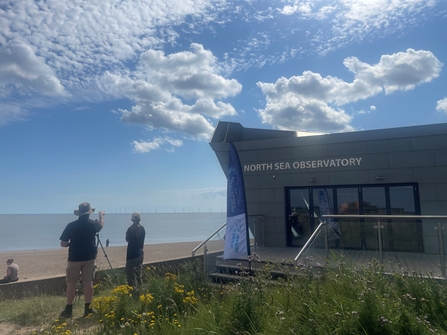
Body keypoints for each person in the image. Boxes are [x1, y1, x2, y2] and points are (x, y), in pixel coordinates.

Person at [59, 202, 105, 318]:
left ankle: (68, 309)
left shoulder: (71, 225)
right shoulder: (93, 225)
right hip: (89, 258)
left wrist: (72, 243)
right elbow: (101, 225)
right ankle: (88, 309)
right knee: (88, 283)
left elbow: (63, 244)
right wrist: (101, 215)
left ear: (79, 213)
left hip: (74, 258)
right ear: (89, 213)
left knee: (71, 284)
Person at [125, 212, 146, 288]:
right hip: (140, 253)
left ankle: (133, 292)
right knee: (138, 274)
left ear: (132, 219)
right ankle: (140, 290)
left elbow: (127, 239)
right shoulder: (142, 229)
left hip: (131, 255)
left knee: (131, 276)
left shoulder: (130, 229)